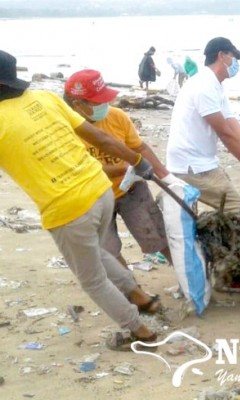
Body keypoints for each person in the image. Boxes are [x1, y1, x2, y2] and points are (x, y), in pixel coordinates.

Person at [0, 50, 159, 349]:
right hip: (100, 190)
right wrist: (138, 161)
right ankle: (142, 298)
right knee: (96, 253)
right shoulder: (45, 99)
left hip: (68, 208)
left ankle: (139, 331)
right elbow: (102, 139)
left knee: (92, 279)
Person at [64, 69, 182, 269]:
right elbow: (87, 169)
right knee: (107, 252)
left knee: (157, 236)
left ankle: (185, 278)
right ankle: (133, 292)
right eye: (98, 102)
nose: (105, 105)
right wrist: (130, 167)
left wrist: (166, 176)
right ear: (78, 104)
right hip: (93, 197)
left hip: (131, 190)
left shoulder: (117, 117)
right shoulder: (65, 129)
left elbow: (140, 148)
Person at [167, 37, 240, 211]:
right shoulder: (203, 86)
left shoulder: (216, 86)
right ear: (221, 56)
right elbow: (225, 134)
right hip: (191, 165)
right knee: (239, 211)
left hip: (203, 161)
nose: (235, 63)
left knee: (225, 209)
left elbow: (235, 131)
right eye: (233, 57)